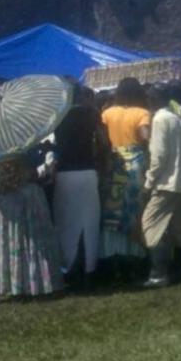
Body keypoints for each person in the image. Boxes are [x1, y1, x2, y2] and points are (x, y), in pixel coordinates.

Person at [0, 155, 63, 296]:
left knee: (9, 244)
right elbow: (32, 175)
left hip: (7, 205)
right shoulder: (26, 177)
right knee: (31, 243)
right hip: (26, 203)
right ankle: (33, 280)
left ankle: (12, 282)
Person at [141, 83, 181, 287]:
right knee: (177, 226)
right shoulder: (179, 117)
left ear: (153, 100)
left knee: (150, 223)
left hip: (166, 182)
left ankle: (158, 273)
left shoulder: (160, 119)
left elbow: (159, 155)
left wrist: (149, 182)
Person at [53, 85, 103, 284]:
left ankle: (67, 268)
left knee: (65, 223)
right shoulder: (91, 114)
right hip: (88, 171)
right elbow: (102, 141)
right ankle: (89, 268)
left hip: (65, 173)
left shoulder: (56, 116)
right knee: (90, 221)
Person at [99, 78, 151, 265]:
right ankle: (135, 253)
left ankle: (111, 252)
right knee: (134, 207)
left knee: (112, 207)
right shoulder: (142, 112)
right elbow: (145, 135)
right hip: (135, 163)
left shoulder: (107, 113)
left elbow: (103, 139)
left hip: (114, 163)